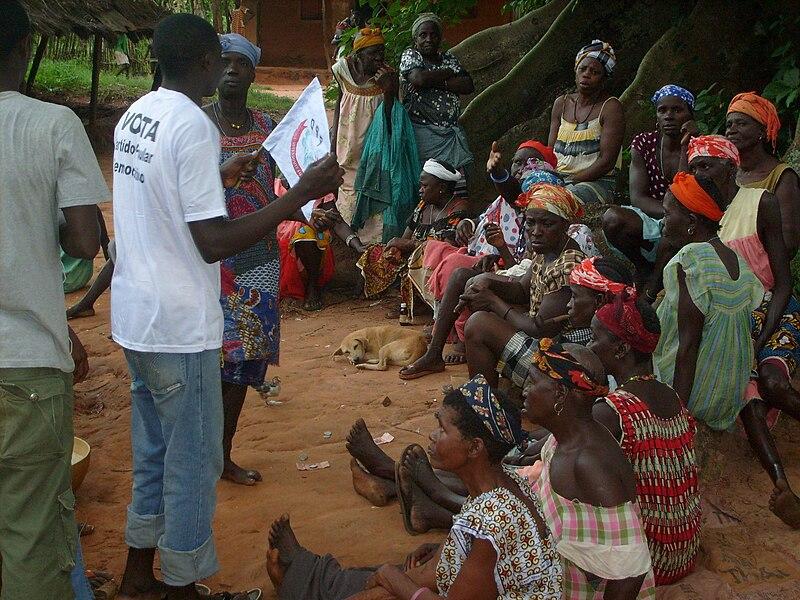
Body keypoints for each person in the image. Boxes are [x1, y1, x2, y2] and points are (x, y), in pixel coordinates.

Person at [111, 14, 343, 600]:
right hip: (180, 325)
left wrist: (219, 175)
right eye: (221, 56)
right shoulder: (193, 123)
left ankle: (139, 574)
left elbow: (163, 196)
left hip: (137, 321)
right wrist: (296, 197)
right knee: (191, 464)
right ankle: (184, 586)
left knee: (153, 455)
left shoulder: (138, 114)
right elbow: (212, 242)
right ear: (208, 61)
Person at [265, 375, 564, 600]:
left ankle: (299, 580)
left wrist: (394, 580)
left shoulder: (494, 516)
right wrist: (445, 550)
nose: (432, 436)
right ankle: (304, 577)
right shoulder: (508, 483)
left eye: (443, 429)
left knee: (387, 580)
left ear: (474, 448)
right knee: (389, 576)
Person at [0, 2, 109, 597]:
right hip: (26, 365)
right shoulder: (51, 124)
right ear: (22, 49)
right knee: (30, 536)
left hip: (31, 356)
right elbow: (84, 239)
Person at [686, 136, 800, 528]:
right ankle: (782, 486)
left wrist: (763, 335)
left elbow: (783, 280)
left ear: (730, 168)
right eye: (695, 166)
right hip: (732, 321)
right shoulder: (702, 214)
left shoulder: (759, 202)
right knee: (748, 396)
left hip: (772, 309)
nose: (699, 173)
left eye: (707, 165)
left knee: (772, 384)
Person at [199, 33, 282, 486]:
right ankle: (204, 453)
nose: (232, 69)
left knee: (243, 364)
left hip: (259, 259)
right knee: (207, 362)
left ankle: (222, 454)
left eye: (241, 63)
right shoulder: (197, 125)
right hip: (210, 261)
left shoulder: (269, 126)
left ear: (253, 72)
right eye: (224, 61)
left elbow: (291, 173)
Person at [526, 340, 656, 598]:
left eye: (533, 382)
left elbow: (631, 573)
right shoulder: (562, 439)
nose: (525, 391)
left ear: (560, 394)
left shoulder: (589, 463)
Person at [589, 294, 701, 585]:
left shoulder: (613, 411)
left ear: (621, 349)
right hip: (683, 551)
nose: (590, 346)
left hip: (646, 564)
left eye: (594, 338)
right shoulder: (670, 396)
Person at [459, 184, 587, 388]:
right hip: (548, 340)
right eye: (531, 223)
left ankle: (486, 406)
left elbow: (540, 329)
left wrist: (491, 300)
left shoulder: (568, 264)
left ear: (565, 225)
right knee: (481, 298)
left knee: (479, 324)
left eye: (547, 224)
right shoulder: (547, 252)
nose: (536, 232)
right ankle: (494, 396)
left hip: (561, 357)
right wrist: (488, 282)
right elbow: (522, 290)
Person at [602, 85, 698, 284]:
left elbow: (686, 193)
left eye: (677, 110)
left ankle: (655, 282)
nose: (668, 116)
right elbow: (638, 197)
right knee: (612, 219)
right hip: (655, 216)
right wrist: (670, 216)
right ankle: (643, 267)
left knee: (680, 229)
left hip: (689, 222)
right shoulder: (644, 143)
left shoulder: (701, 147)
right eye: (662, 110)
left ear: (690, 116)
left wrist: (686, 146)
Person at [357, 159, 468, 312]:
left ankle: (427, 304)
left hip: (437, 262)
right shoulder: (423, 205)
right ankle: (408, 299)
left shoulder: (458, 209)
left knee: (421, 261)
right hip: (414, 257)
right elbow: (406, 236)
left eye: (425, 186)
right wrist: (397, 248)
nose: (420, 190)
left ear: (442, 187)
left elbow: (447, 248)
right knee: (375, 253)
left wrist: (410, 246)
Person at [331, 26, 401, 243]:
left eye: (382, 51)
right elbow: (338, 103)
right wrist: (333, 140)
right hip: (348, 144)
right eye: (373, 53)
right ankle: (350, 238)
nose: (379, 58)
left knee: (373, 188)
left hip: (375, 148)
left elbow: (394, 119)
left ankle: (372, 246)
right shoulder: (342, 70)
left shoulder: (388, 77)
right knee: (348, 188)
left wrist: (388, 90)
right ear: (358, 56)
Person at [400, 13, 475, 195]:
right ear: (415, 39)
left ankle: (454, 219)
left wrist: (436, 80)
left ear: (440, 38)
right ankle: (426, 222)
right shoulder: (411, 55)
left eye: (433, 35)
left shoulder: (448, 58)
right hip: (424, 135)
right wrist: (448, 73)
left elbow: (467, 85)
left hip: (450, 135)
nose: (429, 39)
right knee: (427, 187)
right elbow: (418, 78)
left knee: (456, 186)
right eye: (423, 35)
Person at [549, 40, 625, 204]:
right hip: (558, 178)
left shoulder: (611, 108)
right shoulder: (561, 103)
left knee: (557, 200)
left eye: (595, 72)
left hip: (596, 182)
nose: (587, 74)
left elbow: (606, 162)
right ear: (576, 71)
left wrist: (570, 181)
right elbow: (550, 151)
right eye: (583, 69)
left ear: (604, 78)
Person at [727, 91, 800, 256]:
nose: (732, 130)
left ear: (761, 131)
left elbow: (789, 243)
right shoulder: (728, 172)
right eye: (729, 124)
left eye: (741, 123)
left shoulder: (782, 176)